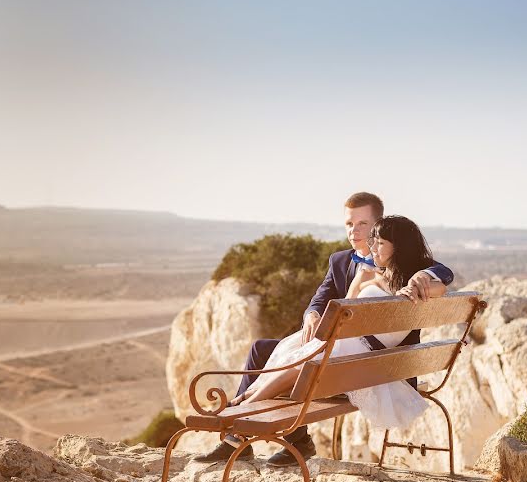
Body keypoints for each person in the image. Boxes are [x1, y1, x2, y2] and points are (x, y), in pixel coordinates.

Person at [194, 193, 454, 466]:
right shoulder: (340, 261)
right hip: (342, 350)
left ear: (379, 225)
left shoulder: (411, 269)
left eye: (363, 224)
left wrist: (423, 275)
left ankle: (238, 428)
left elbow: (443, 273)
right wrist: (311, 315)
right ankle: (289, 440)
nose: (354, 231)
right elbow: (321, 298)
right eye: (349, 224)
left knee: (301, 360)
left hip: (367, 364)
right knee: (264, 349)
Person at [230, 216, 442, 431]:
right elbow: (344, 308)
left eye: (380, 243)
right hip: (356, 351)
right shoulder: (374, 275)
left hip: (363, 357)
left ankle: (246, 407)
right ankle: (250, 399)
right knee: (305, 357)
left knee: (309, 361)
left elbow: (440, 289)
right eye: (373, 242)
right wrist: (359, 283)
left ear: (400, 247)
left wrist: (416, 286)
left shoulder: (412, 280)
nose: (373, 248)